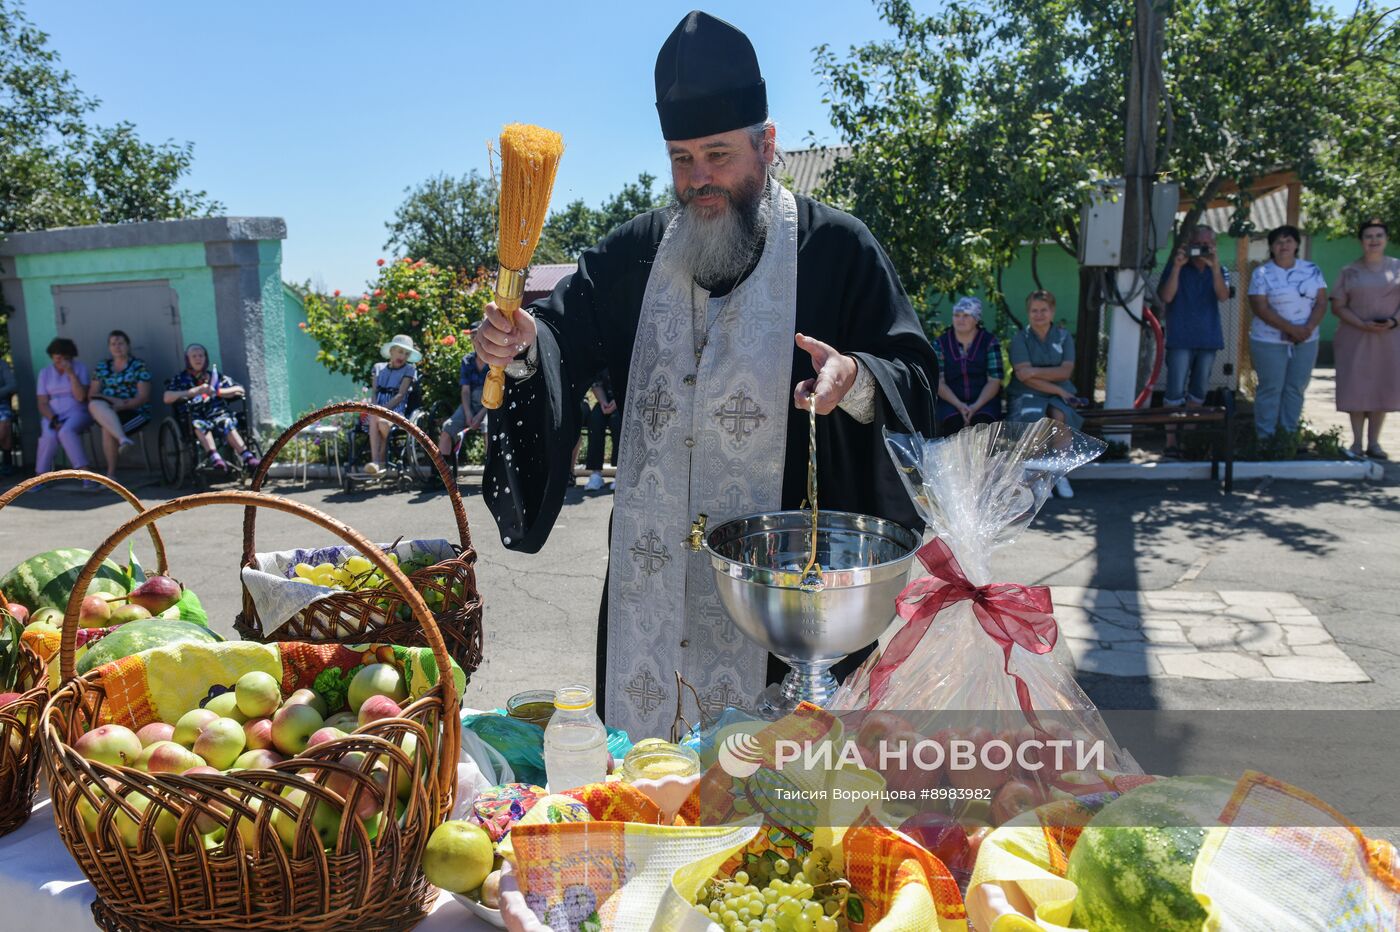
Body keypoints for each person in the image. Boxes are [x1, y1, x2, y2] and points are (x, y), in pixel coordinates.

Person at [473, 11, 938, 737]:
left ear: (768, 144)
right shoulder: (635, 252)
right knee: (644, 789)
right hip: (648, 601)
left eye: (718, 155)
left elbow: (912, 371)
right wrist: (524, 345)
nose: (699, 180)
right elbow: (560, 340)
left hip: (784, 612)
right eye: (682, 159)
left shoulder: (836, 248)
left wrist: (856, 379)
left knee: (773, 817)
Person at [1248, 225, 1327, 441]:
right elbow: (1260, 308)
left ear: (1297, 244)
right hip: (1269, 340)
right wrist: (1291, 329)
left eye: (1289, 241)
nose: (1284, 246)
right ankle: (1266, 439)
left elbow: (1321, 303)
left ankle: (1288, 437)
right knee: (1271, 388)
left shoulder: (1312, 270)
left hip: (1306, 339)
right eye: (1278, 242)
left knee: (1296, 388)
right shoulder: (1262, 273)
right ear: (1271, 247)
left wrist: (1306, 329)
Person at [1331, 218, 1400, 460]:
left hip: (1389, 337)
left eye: (1378, 236)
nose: (1374, 240)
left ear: (1386, 239)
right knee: (1357, 388)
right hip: (1355, 336)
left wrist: (1393, 321)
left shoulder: (1398, 268)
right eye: (1368, 236)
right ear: (1361, 241)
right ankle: (1357, 442)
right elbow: (1338, 306)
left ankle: (1375, 443)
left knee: (1381, 387)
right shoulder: (1349, 271)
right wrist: (1361, 324)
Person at [1158, 225, 1230, 455]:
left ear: (1214, 245)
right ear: (1189, 244)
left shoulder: (1219, 269)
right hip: (1180, 338)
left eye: (1206, 245)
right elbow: (1167, 296)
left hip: (1208, 339)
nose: (1202, 249)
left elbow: (1223, 296)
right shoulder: (1176, 266)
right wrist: (1178, 266)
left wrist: (1215, 266)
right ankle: (1170, 442)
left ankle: (1188, 440)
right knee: (1174, 391)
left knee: (1199, 391)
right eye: (1197, 244)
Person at [1009, 289, 1084, 498]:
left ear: (1052, 311)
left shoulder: (1063, 336)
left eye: (1043, 310)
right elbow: (1023, 378)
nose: (1039, 314)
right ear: (1028, 312)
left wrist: (1034, 371)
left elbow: (1065, 371)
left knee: (1061, 416)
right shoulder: (1020, 338)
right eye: (1034, 310)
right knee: (1036, 421)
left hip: (1060, 392)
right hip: (1027, 391)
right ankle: (1038, 476)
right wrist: (1057, 386)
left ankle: (1059, 474)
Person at [163, 343, 260, 471]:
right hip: (194, 416)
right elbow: (167, 397)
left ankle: (247, 456)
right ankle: (215, 458)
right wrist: (195, 391)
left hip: (218, 414)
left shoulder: (214, 377)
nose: (198, 359)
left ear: (206, 358)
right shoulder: (180, 379)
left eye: (201, 355)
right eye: (194, 356)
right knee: (199, 424)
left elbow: (240, 389)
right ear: (188, 359)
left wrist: (218, 391)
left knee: (227, 422)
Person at [932, 296, 1002, 436]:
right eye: (957, 315)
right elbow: (938, 382)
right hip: (950, 401)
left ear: (976, 319)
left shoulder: (989, 342)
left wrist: (975, 407)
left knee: (982, 423)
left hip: (983, 401)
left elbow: (995, 380)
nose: (960, 319)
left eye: (966, 315)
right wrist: (960, 406)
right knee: (953, 424)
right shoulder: (940, 343)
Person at [87, 330, 152, 479]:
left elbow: (143, 397)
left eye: (121, 343)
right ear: (109, 347)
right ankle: (123, 439)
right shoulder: (103, 366)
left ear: (128, 345)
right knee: (94, 405)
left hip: (135, 411)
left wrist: (122, 405)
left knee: (107, 428)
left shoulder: (138, 366)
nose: (117, 347)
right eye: (113, 344)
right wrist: (112, 401)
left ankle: (111, 474)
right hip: (109, 409)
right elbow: (92, 395)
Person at [35, 338, 95, 482]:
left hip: (77, 412)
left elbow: (81, 397)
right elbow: (42, 403)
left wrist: (71, 374)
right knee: (48, 436)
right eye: (57, 358)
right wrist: (54, 419)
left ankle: (85, 474)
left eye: (64, 358)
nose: (60, 362)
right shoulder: (45, 373)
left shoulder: (80, 368)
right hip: (53, 416)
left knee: (66, 432)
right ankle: (39, 478)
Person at [366, 334, 419, 476]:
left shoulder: (409, 369)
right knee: (375, 419)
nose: (403, 356)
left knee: (380, 421)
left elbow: (400, 395)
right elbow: (374, 392)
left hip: (396, 409)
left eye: (407, 353)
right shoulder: (378, 367)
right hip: (376, 409)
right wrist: (375, 407)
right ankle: (378, 462)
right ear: (391, 351)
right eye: (400, 351)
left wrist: (382, 410)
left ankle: (376, 462)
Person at [438, 349, 488, 461]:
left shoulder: (496, 359)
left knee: (488, 427)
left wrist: (479, 416)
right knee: (448, 427)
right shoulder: (467, 360)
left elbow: (497, 394)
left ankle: (492, 471)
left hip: (490, 406)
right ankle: (441, 472)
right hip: (470, 404)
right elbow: (465, 391)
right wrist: (468, 413)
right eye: (474, 337)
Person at [584, 370, 622, 491]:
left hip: (624, 399)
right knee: (595, 419)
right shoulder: (600, 353)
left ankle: (620, 473)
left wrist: (618, 401)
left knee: (618, 422)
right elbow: (596, 383)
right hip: (604, 400)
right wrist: (603, 402)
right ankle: (595, 474)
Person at [0, 357, 16, 475]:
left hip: (1, 403)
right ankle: (7, 463)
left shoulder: (2, 365)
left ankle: (7, 464)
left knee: (5, 425)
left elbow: (12, 385)